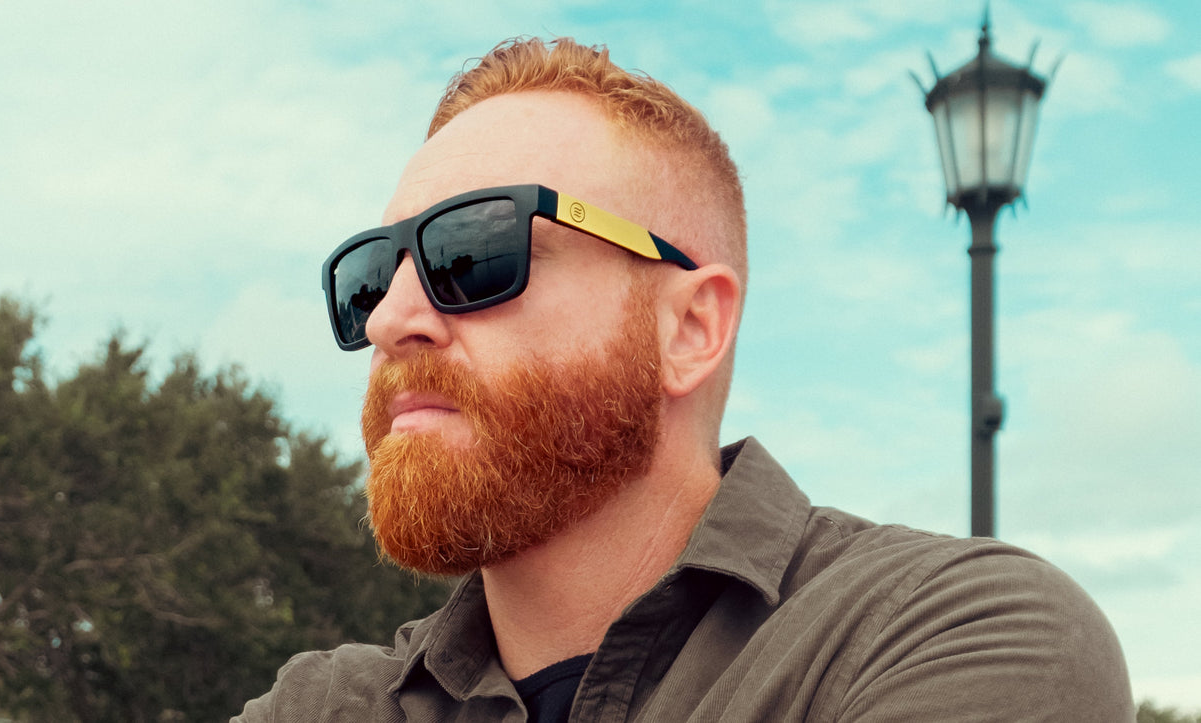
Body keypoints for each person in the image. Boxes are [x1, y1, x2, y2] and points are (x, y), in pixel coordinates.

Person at [238, 37, 1131, 722]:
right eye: (369, 275)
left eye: (470, 253)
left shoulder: (948, 632)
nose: (393, 319)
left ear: (690, 327)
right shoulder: (324, 703)